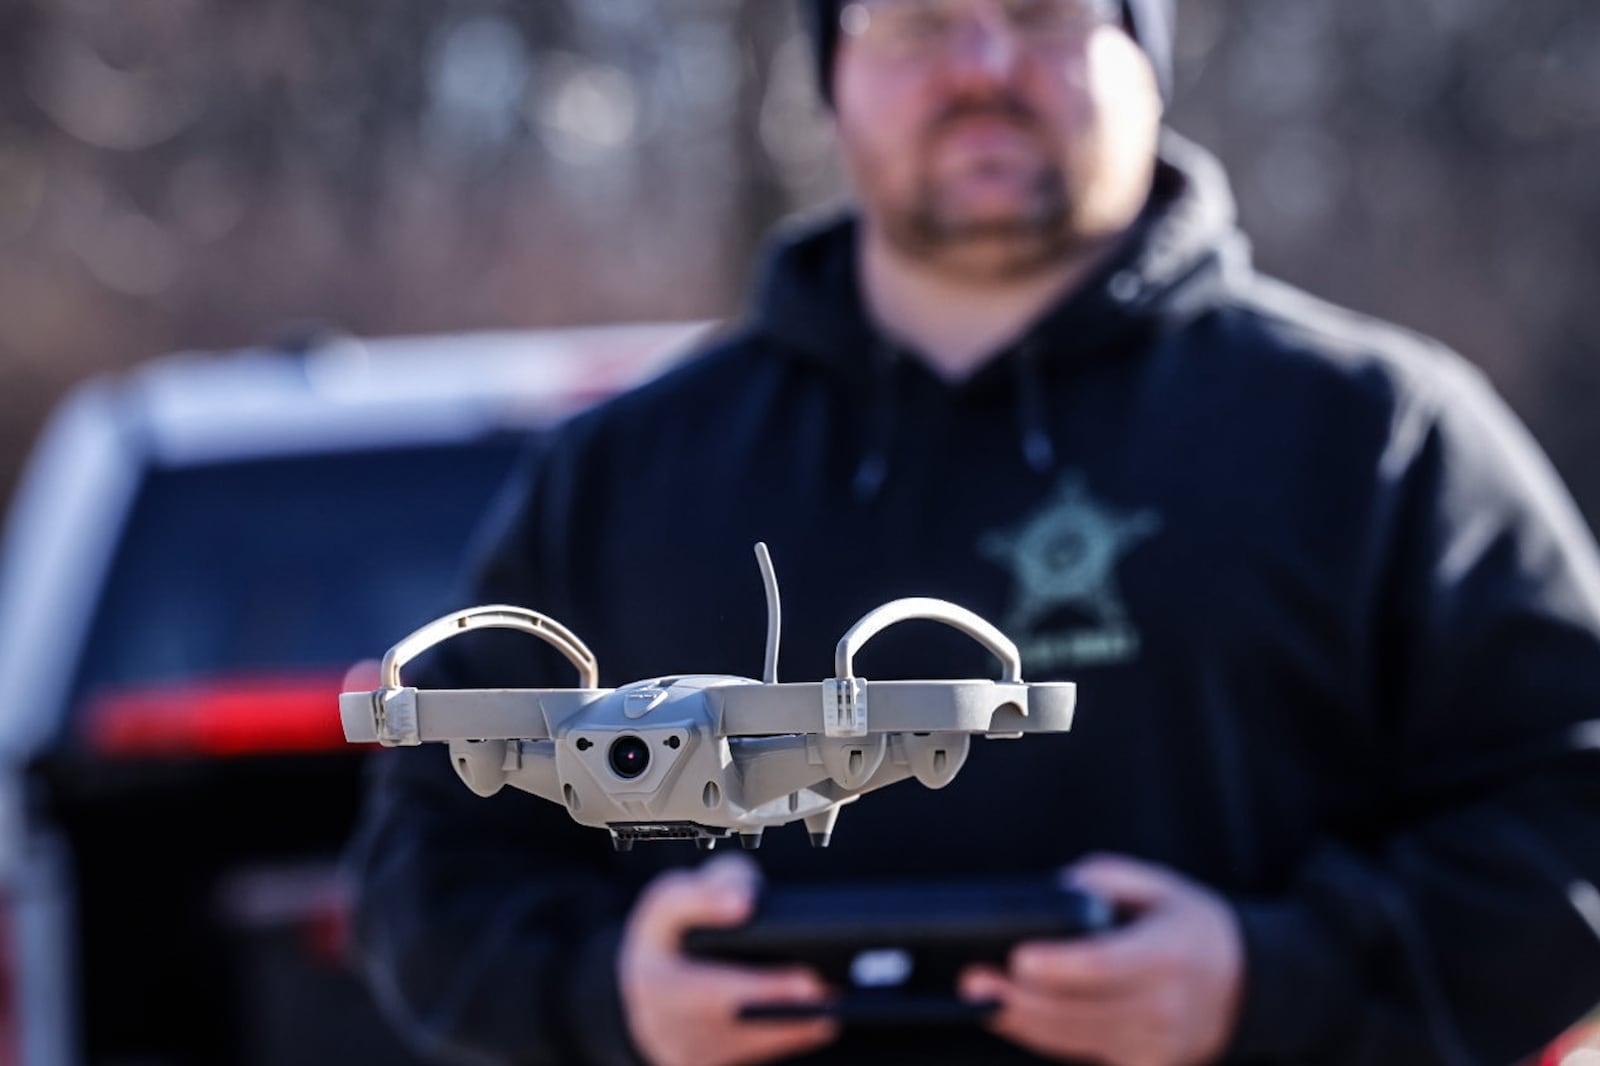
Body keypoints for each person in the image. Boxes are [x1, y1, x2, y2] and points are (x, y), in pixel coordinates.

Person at [343, 0, 1600, 1063]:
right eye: (920, 22)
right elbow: (428, 864)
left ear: (1145, 55)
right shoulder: (627, 474)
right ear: (832, 69)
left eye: (1044, 15)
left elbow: (1571, 813)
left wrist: (1269, 978)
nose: (985, 68)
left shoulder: (1376, 434)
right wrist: (608, 987)